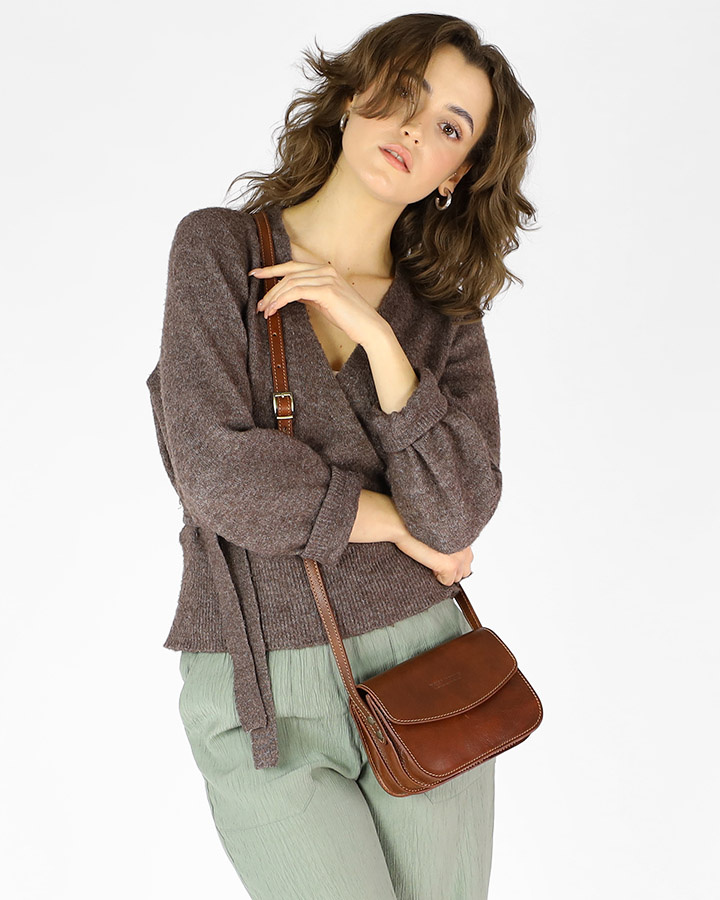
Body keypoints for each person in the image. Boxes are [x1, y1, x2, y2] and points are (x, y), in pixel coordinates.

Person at [146, 12, 536, 900]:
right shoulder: (217, 251)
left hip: (423, 664)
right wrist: (397, 524)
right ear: (355, 95)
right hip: (257, 681)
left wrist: (380, 341)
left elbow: (460, 513)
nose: (414, 131)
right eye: (404, 95)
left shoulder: (441, 317)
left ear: (457, 173)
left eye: (449, 127)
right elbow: (215, 473)